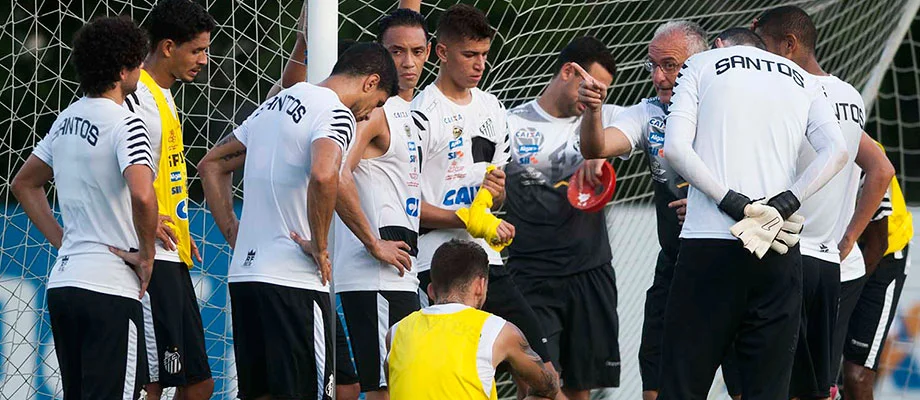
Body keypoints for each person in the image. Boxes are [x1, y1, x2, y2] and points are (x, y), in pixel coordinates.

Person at [616, 22, 849, 399]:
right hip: (775, 245)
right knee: (766, 390)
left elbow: (675, 149)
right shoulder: (800, 78)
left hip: (709, 244)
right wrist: (787, 201)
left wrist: (730, 200)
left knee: (681, 387)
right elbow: (837, 152)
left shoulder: (702, 65)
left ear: (720, 45)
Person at [197, 42, 397, 400]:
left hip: (246, 279)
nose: (369, 115)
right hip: (294, 282)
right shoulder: (337, 114)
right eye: (379, 103)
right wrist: (319, 246)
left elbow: (210, 164)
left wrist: (232, 230)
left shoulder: (275, 103)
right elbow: (325, 175)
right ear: (370, 82)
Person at [751, 6, 896, 399]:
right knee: (815, 384)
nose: (757, 59)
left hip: (788, 254)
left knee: (770, 379)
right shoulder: (848, 95)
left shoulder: (794, 94)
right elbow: (881, 169)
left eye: (762, 47)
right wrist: (847, 238)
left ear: (789, 45)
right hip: (829, 261)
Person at [410, 4, 557, 390]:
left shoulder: (492, 107)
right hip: (436, 266)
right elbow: (407, 207)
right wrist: (466, 219)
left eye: (484, 55)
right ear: (441, 53)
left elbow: (491, 191)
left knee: (544, 374)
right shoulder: (420, 114)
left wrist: (493, 202)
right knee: (452, 374)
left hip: (487, 261)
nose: (479, 65)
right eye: (469, 55)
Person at [11, 16, 155, 399]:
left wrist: (65, 241)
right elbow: (143, 195)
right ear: (123, 69)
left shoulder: (65, 120)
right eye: (138, 62)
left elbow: (24, 183)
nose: (141, 69)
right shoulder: (127, 124)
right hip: (109, 285)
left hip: (66, 284)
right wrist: (147, 255)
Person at [577, 20, 722, 400]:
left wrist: (709, 206)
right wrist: (593, 111)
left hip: (729, 264)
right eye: (653, 65)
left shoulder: (728, 111)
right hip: (675, 264)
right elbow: (596, 148)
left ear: (701, 62)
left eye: (670, 65)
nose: (659, 77)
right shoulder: (648, 113)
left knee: (745, 386)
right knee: (655, 387)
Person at [504, 36, 621, 400]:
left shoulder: (608, 118)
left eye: (603, 92)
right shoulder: (508, 123)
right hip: (532, 273)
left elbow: (622, 134)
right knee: (538, 384)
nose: (596, 98)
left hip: (590, 271)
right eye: (592, 88)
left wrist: (597, 148)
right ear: (569, 71)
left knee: (579, 389)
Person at [333, 6, 432, 400]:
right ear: (379, 53)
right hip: (372, 274)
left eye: (417, 51)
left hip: (400, 272)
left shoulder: (410, 112)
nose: (408, 62)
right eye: (396, 52)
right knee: (384, 392)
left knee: (399, 387)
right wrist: (373, 242)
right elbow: (337, 171)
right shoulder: (375, 111)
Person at [121, 1, 217, 397]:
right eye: (197, 50)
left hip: (172, 252)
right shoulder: (135, 95)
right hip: (149, 258)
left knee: (199, 385)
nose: (205, 61)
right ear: (166, 46)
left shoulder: (162, 95)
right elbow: (116, 168)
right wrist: (144, 218)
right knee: (153, 386)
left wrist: (175, 223)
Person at [386, 239, 559, 400]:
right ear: (480, 286)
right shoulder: (499, 330)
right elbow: (549, 386)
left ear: (431, 290)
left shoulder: (395, 332)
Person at [842, 158, 912, 400]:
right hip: (841, 257)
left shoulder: (865, 155)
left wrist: (844, 298)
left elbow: (877, 244)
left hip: (884, 257)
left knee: (857, 374)